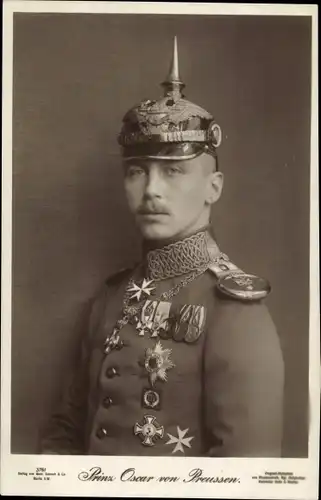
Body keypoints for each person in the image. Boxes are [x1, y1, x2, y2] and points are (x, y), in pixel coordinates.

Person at [40, 37, 284, 457]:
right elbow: (65, 429)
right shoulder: (109, 297)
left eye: (174, 172)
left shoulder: (235, 311)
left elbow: (246, 476)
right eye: (137, 171)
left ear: (214, 187)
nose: (151, 190)